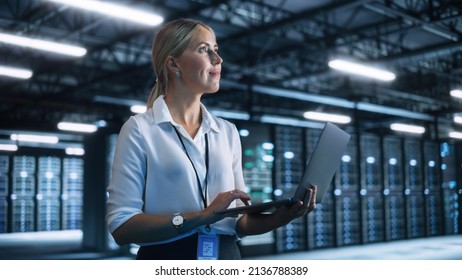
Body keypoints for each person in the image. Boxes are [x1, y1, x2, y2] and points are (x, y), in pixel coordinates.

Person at [106, 18, 317, 260]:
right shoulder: (140, 130)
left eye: (216, 50)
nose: (218, 59)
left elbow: (239, 222)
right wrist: (202, 216)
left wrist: (282, 217)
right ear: (174, 63)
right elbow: (121, 226)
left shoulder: (227, 132)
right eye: (204, 50)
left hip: (227, 256)